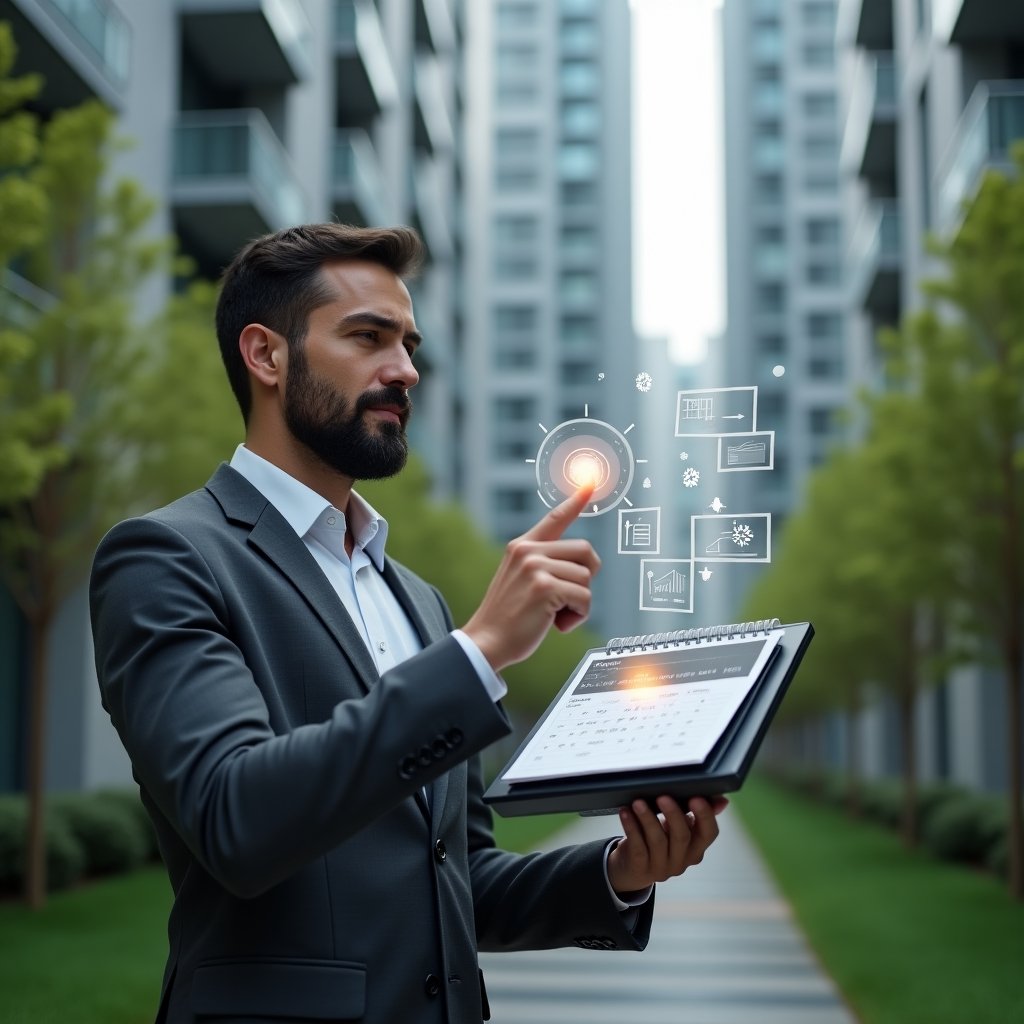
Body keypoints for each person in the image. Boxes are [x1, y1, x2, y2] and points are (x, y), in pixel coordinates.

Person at [90, 223, 726, 1024]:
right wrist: (481, 649)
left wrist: (622, 870)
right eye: (369, 338)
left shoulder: (417, 600)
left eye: (409, 344)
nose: (406, 370)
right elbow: (235, 817)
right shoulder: (166, 558)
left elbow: (459, 875)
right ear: (266, 356)